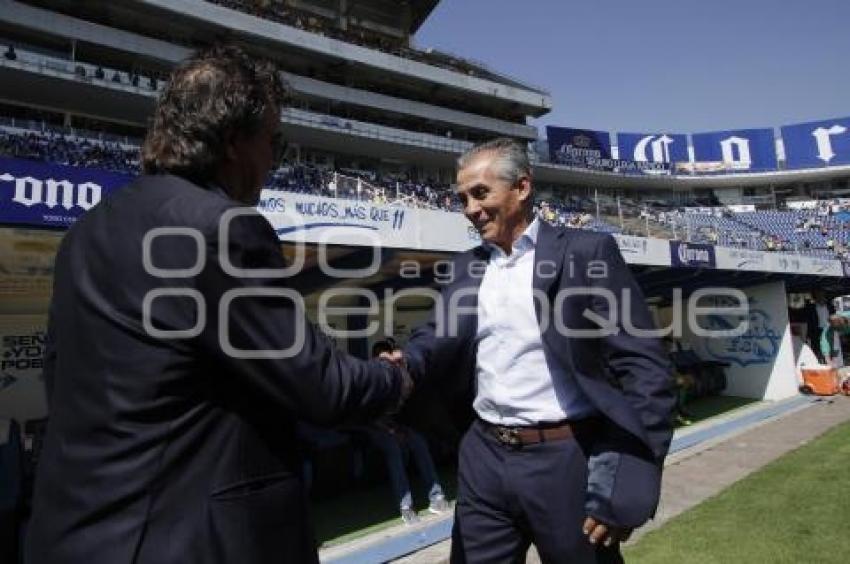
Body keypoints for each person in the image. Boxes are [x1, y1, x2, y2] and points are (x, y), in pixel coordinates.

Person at [25, 45, 410, 564]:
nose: (277, 158)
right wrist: (397, 378)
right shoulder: (224, 228)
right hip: (186, 540)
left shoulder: (85, 232)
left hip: (74, 536)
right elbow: (323, 388)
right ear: (233, 142)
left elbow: (61, 375)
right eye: (275, 140)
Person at [391, 138, 674, 563]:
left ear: (522, 188)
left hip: (567, 459)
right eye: (463, 198)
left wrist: (629, 477)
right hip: (482, 457)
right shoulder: (465, 266)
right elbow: (433, 337)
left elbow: (644, 367)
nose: (470, 208)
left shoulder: (587, 252)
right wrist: (401, 367)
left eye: (480, 193)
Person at [353, 339, 449, 525]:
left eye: (390, 360)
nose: (388, 364)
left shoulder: (400, 375)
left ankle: (436, 496)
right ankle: (406, 506)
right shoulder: (369, 377)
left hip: (393, 424)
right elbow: (369, 416)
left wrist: (402, 363)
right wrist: (392, 431)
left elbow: (408, 402)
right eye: (382, 360)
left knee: (418, 442)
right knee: (394, 448)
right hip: (371, 426)